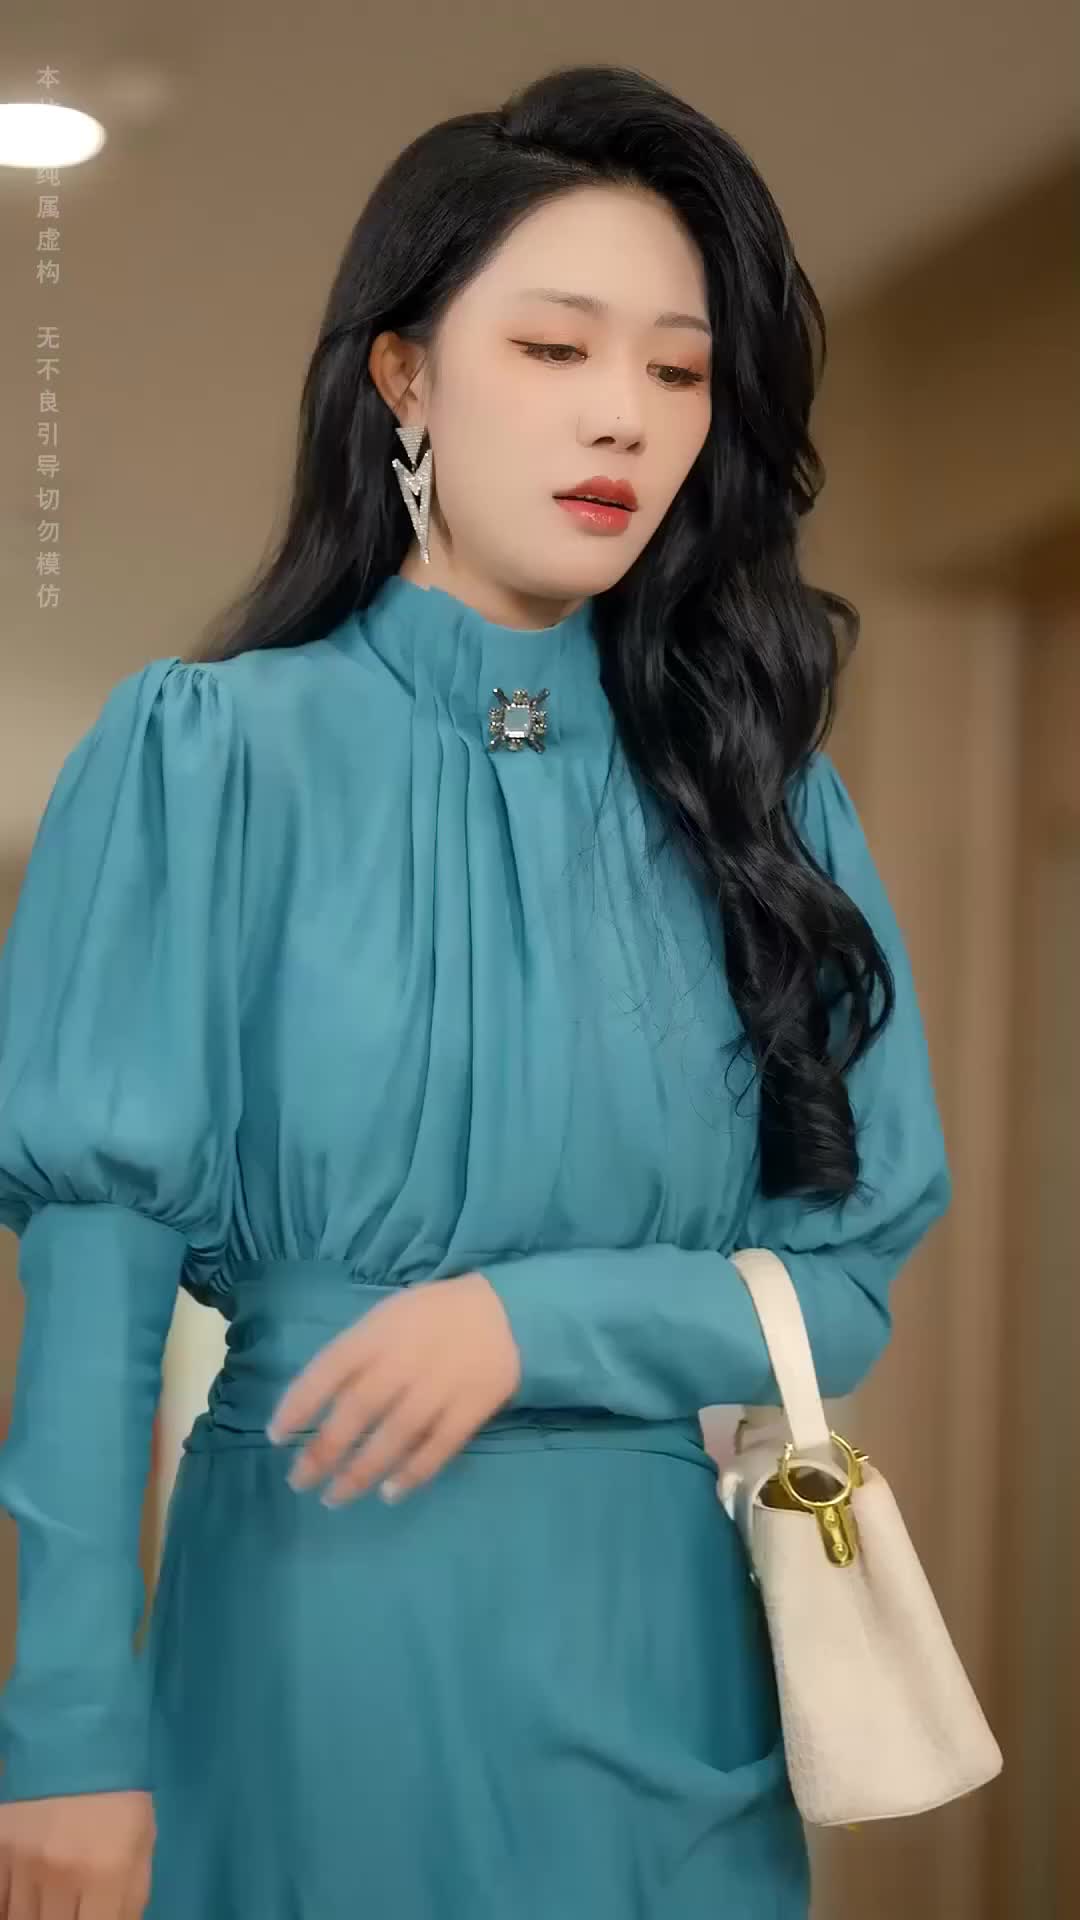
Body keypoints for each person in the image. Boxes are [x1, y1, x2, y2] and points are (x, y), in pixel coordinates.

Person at [0, 59, 951, 1920]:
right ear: (405, 376)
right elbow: (93, 1293)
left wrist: (532, 1323)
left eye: (679, 371)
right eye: (555, 347)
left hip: (676, 1679)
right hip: (313, 1651)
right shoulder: (208, 758)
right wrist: (65, 1731)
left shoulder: (771, 807)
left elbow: (844, 1288)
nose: (623, 415)